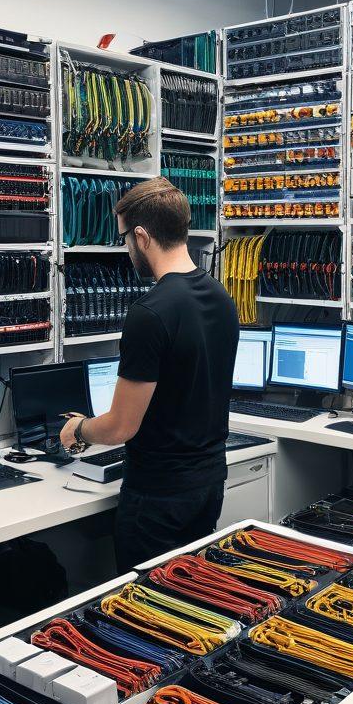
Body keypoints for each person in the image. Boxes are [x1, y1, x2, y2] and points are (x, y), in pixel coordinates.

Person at [60, 176, 239, 570]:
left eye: (125, 237)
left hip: (158, 496)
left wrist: (78, 431)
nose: (126, 249)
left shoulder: (150, 313)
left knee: (146, 615)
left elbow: (122, 427)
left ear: (142, 236)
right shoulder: (221, 298)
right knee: (189, 602)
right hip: (207, 484)